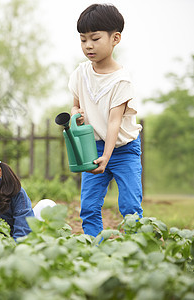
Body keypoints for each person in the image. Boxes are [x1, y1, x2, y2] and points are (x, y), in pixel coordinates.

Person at [68, 4, 143, 237]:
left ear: (115, 38)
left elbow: (114, 122)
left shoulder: (121, 81)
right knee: (89, 207)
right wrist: (74, 114)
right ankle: (94, 248)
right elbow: (75, 104)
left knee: (130, 207)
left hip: (124, 150)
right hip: (94, 147)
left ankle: (133, 247)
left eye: (95, 38)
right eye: (83, 40)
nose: (88, 45)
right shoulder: (81, 73)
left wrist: (107, 156)